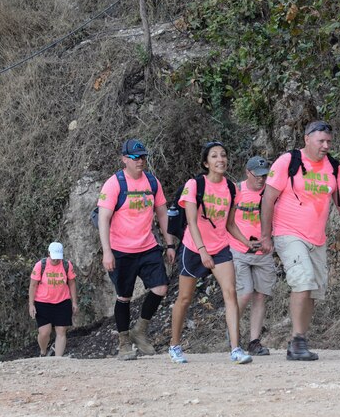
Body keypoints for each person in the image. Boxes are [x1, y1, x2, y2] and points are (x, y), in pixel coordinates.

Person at [259, 121, 340, 361]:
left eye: (329, 141)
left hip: (317, 238)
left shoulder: (333, 166)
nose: (326, 146)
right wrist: (266, 235)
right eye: (321, 141)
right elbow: (268, 199)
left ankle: (300, 339)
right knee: (303, 281)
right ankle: (297, 340)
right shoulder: (288, 161)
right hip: (288, 233)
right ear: (307, 139)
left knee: (314, 290)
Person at [169, 141, 256, 365]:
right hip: (193, 247)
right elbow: (191, 222)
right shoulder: (195, 185)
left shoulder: (231, 188)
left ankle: (236, 349)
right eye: (215, 156)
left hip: (220, 248)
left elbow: (229, 224)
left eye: (223, 155)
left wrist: (246, 242)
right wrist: (202, 252)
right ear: (206, 162)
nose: (220, 160)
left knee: (230, 294)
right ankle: (174, 345)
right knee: (185, 298)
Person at [97, 138, 176, 361]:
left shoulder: (152, 183)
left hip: (147, 246)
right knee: (124, 296)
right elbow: (104, 218)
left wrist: (169, 244)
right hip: (121, 249)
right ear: (124, 159)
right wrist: (107, 251)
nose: (140, 161)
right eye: (135, 157)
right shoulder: (114, 184)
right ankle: (124, 342)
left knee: (160, 288)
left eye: (143, 157)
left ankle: (139, 331)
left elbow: (162, 213)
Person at [229, 156, 277, 356]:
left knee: (260, 295)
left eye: (265, 175)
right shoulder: (237, 190)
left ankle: (254, 341)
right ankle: (233, 332)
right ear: (248, 173)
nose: (261, 179)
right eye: (257, 175)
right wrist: (244, 241)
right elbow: (228, 221)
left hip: (263, 250)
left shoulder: (270, 192)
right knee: (245, 291)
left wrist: (270, 239)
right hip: (239, 249)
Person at [28, 242, 78, 357]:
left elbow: (72, 283)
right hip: (43, 302)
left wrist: (74, 302)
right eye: (53, 257)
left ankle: (58, 360)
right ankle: (43, 352)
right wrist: (31, 304)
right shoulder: (40, 265)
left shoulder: (67, 265)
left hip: (62, 302)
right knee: (44, 332)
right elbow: (33, 285)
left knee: (61, 331)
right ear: (48, 253)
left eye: (58, 258)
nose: (56, 260)